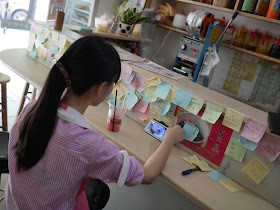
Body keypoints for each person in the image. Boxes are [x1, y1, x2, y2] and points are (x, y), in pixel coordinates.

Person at [4, 36, 184, 210]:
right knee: (99, 189)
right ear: (101, 88)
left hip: (14, 204)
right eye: (114, 83)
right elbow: (148, 175)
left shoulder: (33, 108)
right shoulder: (90, 145)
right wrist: (169, 138)